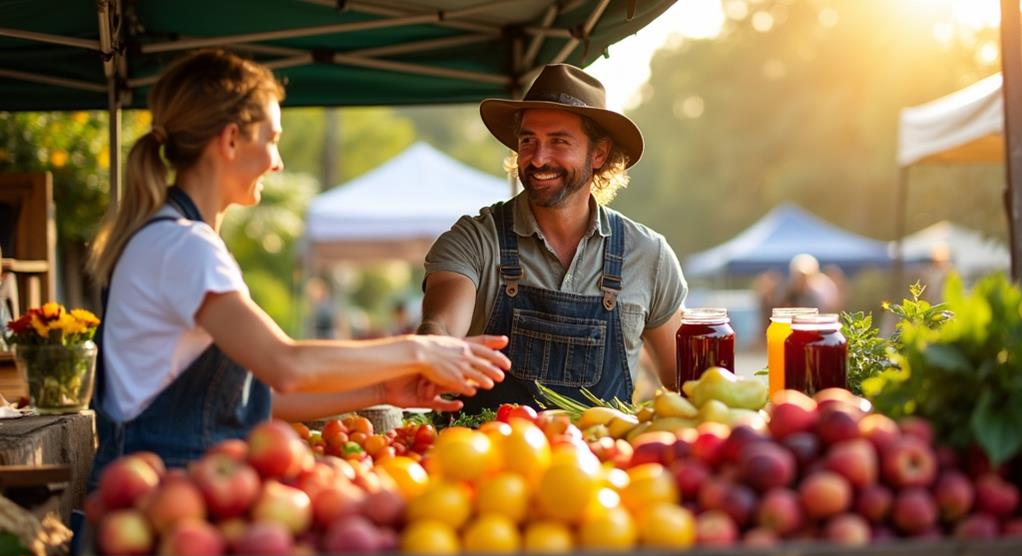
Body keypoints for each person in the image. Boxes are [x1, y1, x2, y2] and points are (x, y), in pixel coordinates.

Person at [85, 50, 510, 476]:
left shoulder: (171, 238)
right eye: (271, 139)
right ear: (231, 140)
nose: (277, 161)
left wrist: (382, 390)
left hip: (166, 486)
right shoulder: (184, 245)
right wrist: (420, 350)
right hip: (159, 493)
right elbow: (286, 366)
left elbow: (259, 396)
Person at [418, 64, 687, 412]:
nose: (538, 158)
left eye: (559, 141)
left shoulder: (648, 255)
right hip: (488, 448)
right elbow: (441, 325)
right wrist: (434, 347)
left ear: (599, 154)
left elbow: (685, 380)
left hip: (604, 449)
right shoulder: (474, 240)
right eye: (528, 140)